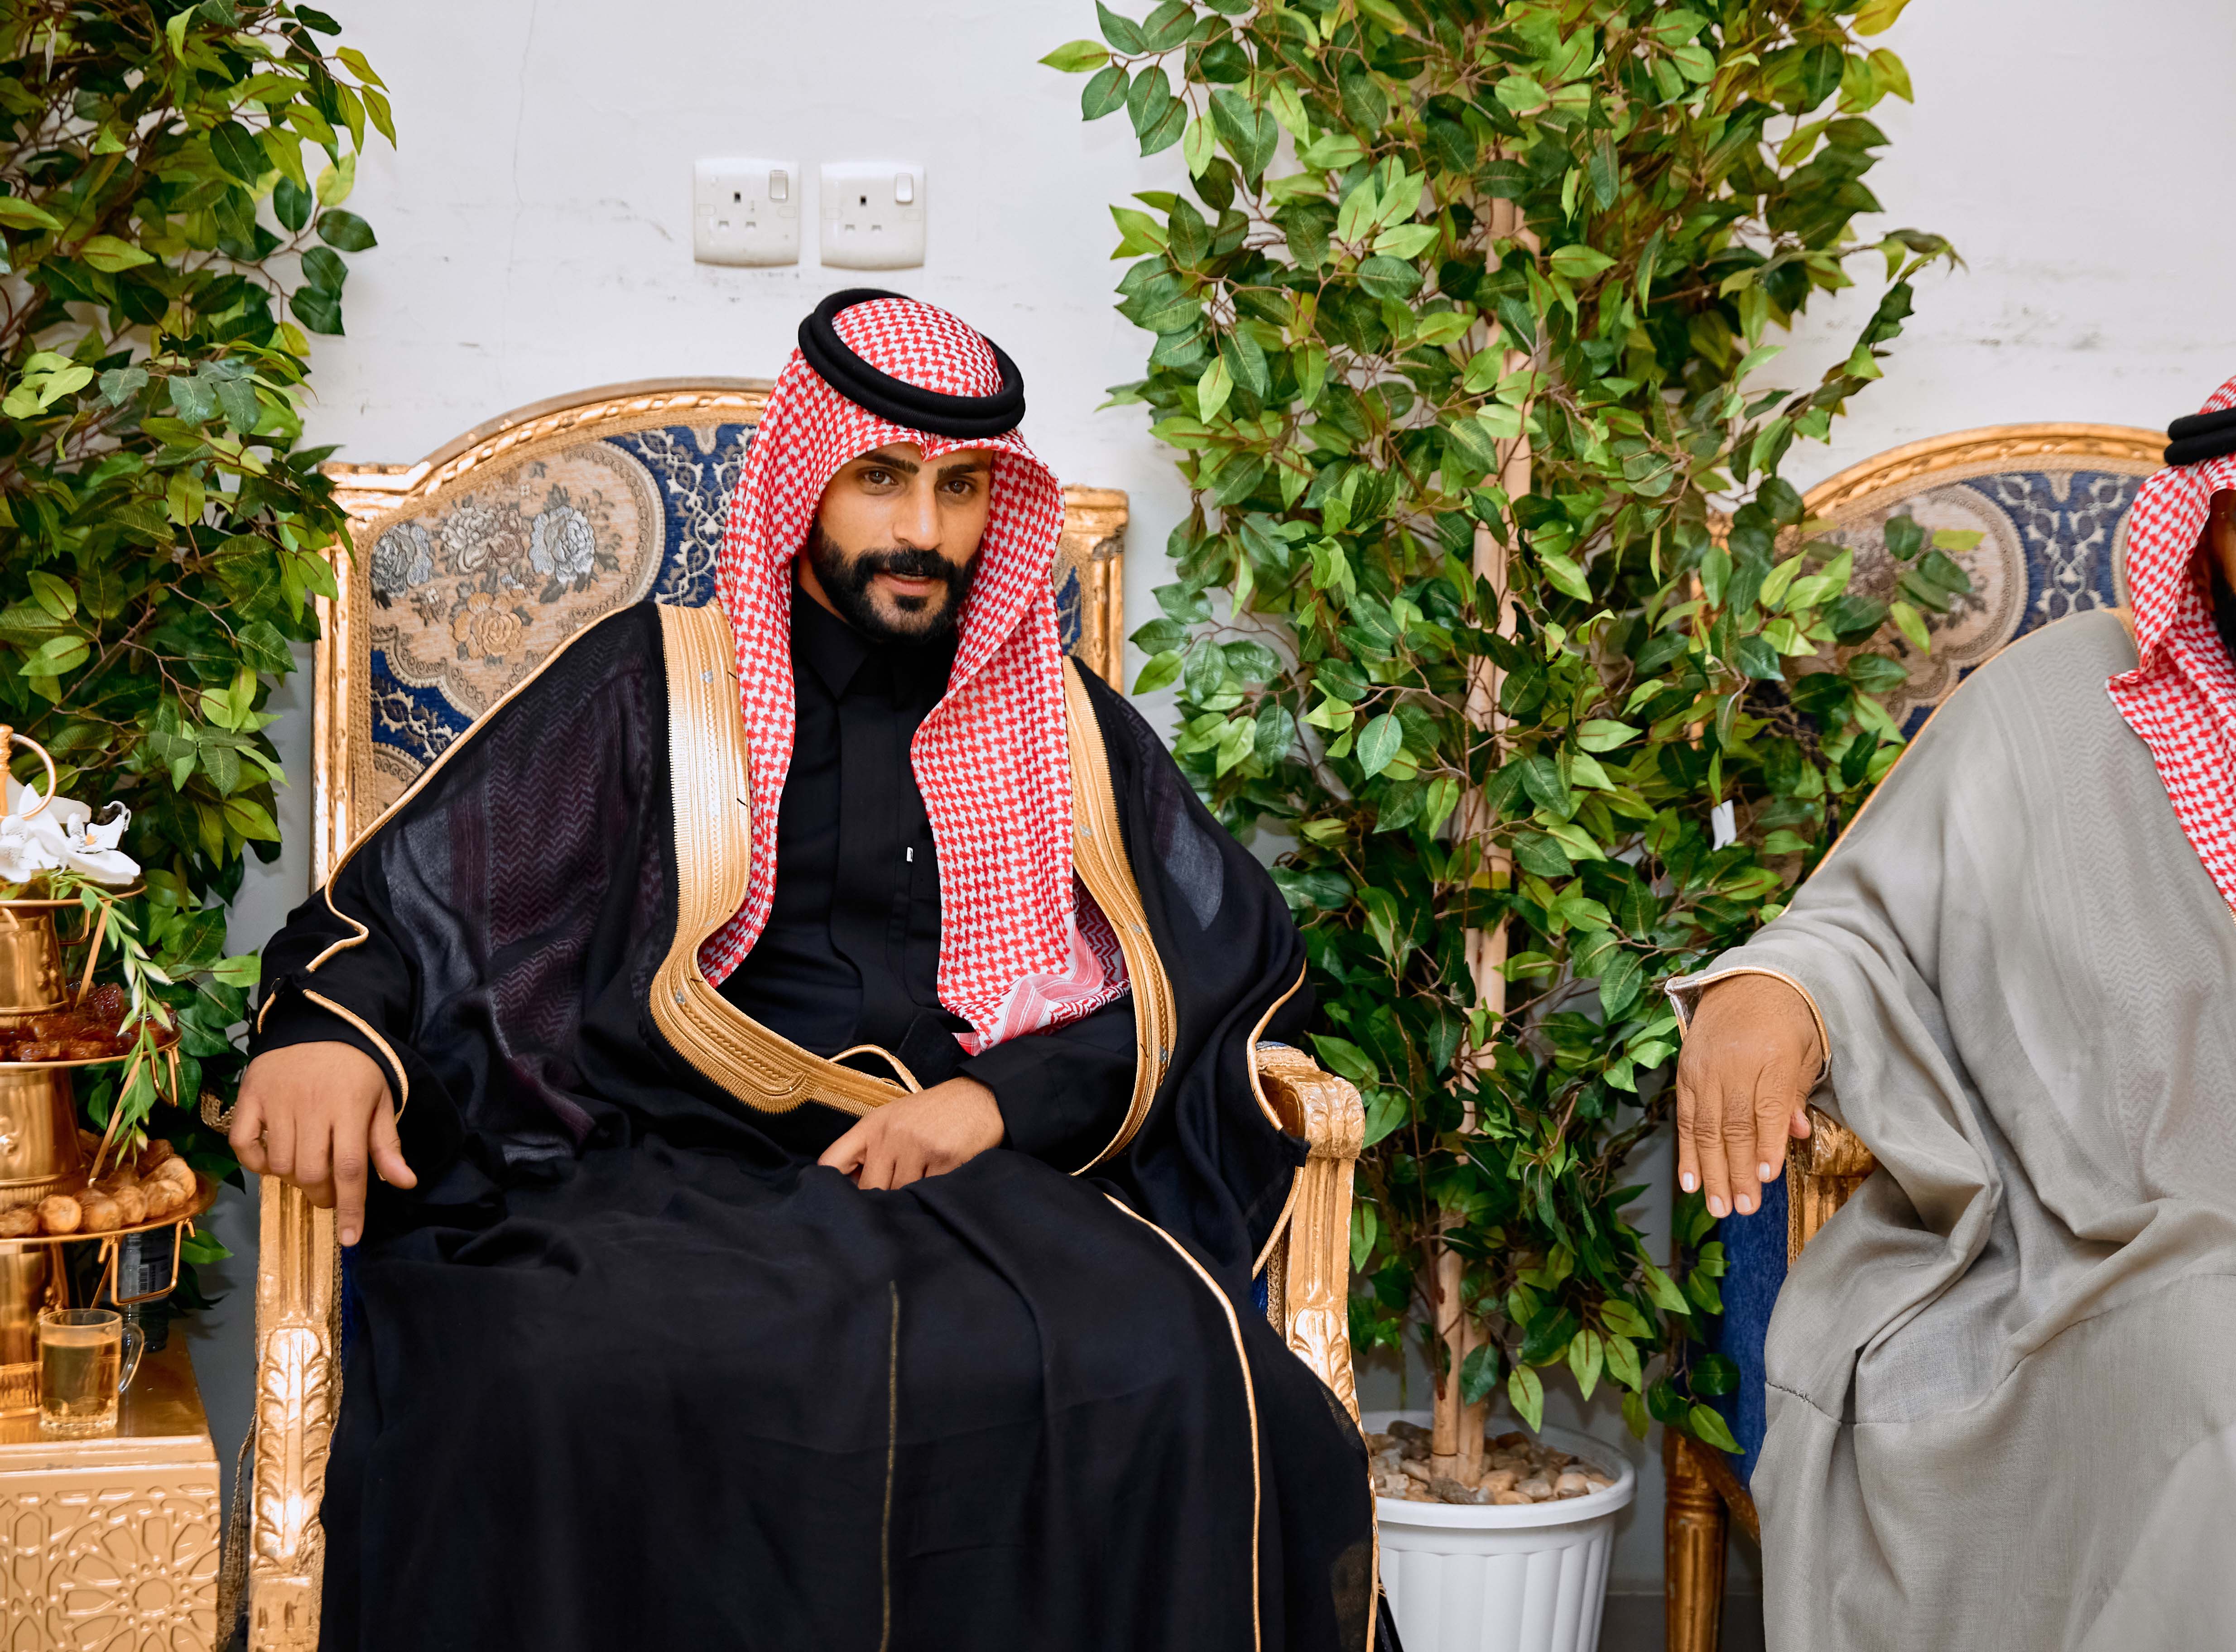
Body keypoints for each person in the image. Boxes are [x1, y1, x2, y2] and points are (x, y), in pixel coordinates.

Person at [231, 290, 1380, 1652]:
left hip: (980, 1187)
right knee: (544, 1371)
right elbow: (415, 900)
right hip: (663, 1173)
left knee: (1174, 1365)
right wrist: (328, 1033)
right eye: (882, 478)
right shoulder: (661, 682)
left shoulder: (1059, 718)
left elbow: (1229, 963)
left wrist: (994, 1103)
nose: (924, 532)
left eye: (962, 489)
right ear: (807, 479)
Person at [1669, 357, 2236, 1650]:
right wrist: (1774, 992)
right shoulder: (2072, 708)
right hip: (2229, 1244)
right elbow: (1871, 915)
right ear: (2205, 546)